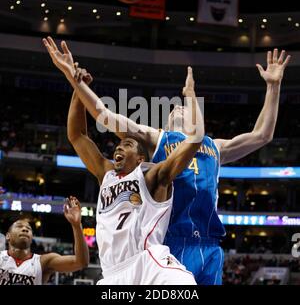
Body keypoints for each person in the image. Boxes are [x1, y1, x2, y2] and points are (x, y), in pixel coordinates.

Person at [43, 37, 290, 284]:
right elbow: (104, 115)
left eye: (182, 105)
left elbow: (262, 135)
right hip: (171, 240)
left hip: (209, 243)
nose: (177, 107)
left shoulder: (215, 146)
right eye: (174, 108)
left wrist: (274, 86)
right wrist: (75, 81)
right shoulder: (155, 138)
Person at [43, 37, 204, 284]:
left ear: (141, 157)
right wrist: (77, 87)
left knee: (184, 284)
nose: (118, 147)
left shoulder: (152, 175)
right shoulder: (105, 173)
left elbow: (194, 140)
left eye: (127, 144)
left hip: (148, 263)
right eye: (118, 145)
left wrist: (191, 98)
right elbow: (76, 136)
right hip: (112, 274)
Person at [0, 196, 89, 285]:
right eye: (19, 226)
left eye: (29, 228)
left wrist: (77, 226)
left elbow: (81, 262)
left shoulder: (43, 262)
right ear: (8, 236)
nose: (25, 229)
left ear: (31, 238)